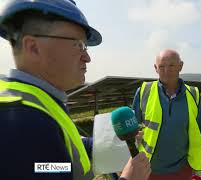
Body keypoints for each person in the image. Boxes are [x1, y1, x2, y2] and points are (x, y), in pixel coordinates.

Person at [0, 0, 150, 180]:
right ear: (33, 47)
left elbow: (48, 166)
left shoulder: (33, 103)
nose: (87, 57)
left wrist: (107, 145)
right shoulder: (23, 121)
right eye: (78, 45)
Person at [132, 49, 201, 180]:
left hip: (182, 169)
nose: (166, 70)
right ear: (155, 68)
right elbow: (133, 127)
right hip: (149, 169)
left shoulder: (193, 94)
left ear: (181, 66)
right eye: (161, 66)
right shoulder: (144, 92)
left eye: (171, 65)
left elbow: (198, 130)